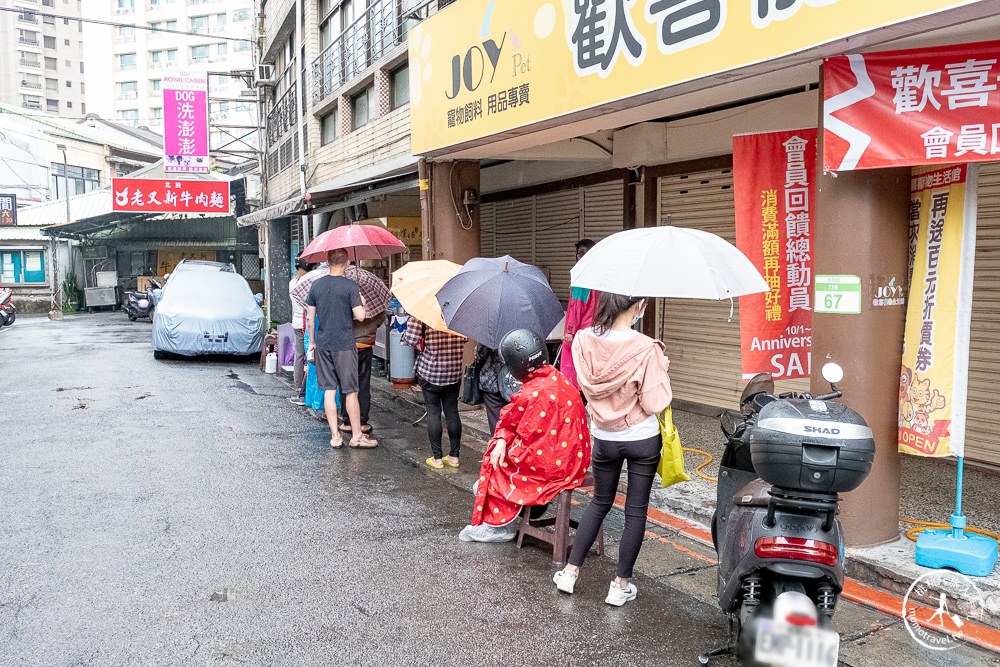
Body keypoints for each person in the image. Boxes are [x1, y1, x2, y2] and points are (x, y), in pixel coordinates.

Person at [553, 293, 672, 607]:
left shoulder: (582, 340)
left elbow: (582, 383)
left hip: (603, 436)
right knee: (635, 511)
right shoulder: (646, 348)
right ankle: (620, 586)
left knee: (599, 503)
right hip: (641, 438)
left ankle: (570, 572)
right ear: (636, 307)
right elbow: (655, 403)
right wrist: (661, 369)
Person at [459, 329, 591, 543]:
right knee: (503, 451)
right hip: (574, 461)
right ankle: (511, 515)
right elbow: (519, 427)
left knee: (498, 464)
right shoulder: (560, 380)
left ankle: (500, 527)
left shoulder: (531, 393)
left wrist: (501, 443)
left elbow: (517, 428)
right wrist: (503, 439)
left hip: (551, 466)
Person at [305, 249, 379, 449]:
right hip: (345, 345)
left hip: (323, 343)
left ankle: (335, 436)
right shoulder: (350, 286)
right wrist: (361, 302)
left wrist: (312, 342)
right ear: (347, 264)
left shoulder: (316, 285)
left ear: (327, 263)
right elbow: (361, 316)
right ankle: (356, 436)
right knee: (351, 391)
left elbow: (310, 318)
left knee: (329, 391)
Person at [401, 317, 467, 469]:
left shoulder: (422, 314)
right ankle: (454, 456)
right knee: (452, 412)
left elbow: (409, 340)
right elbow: (465, 339)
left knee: (433, 412)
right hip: (453, 372)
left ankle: (437, 458)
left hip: (430, 374)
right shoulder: (457, 312)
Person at [337, 266, 390, 436]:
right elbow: (381, 317)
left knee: (345, 383)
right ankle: (362, 421)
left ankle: (346, 420)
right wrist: (370, 328)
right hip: (365, 345)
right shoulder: (370, 297)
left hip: (344, 346)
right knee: (363, 383)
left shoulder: (341, 295)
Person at [560, 239, 600, 390]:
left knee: (573, 368)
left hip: (580, 330)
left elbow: (576, 308)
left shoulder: (581, 276)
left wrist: (569, 331)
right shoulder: (600, 276)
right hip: (597, 330)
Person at [288, 258, 314, 406]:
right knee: (311, 356)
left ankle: (298, 385)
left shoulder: (293, 282)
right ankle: (304, 388)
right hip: (305, 323)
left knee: (299, 355)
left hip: (297, 322)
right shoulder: (310, 282)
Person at [475, 343, 507, 434]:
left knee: (495, 420)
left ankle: (498, 444)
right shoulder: (520, 330)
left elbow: (481, 355)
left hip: (492, 381)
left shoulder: (490, 331)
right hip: (513, 381)